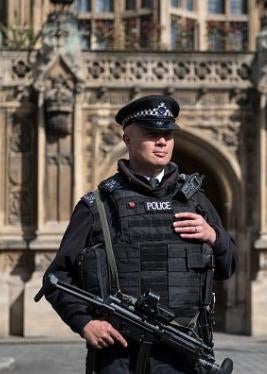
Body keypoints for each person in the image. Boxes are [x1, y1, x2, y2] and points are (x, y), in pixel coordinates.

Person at [42, 95, 238, 374]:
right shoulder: (98, 206)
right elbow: (56, 278)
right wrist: (84, 323)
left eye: (167, 134)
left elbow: (229, 265)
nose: (162, 141)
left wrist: (214, 237)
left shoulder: (196, 202)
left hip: (181, 354)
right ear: (127, 138)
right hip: (117, 356)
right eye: (151, 133)